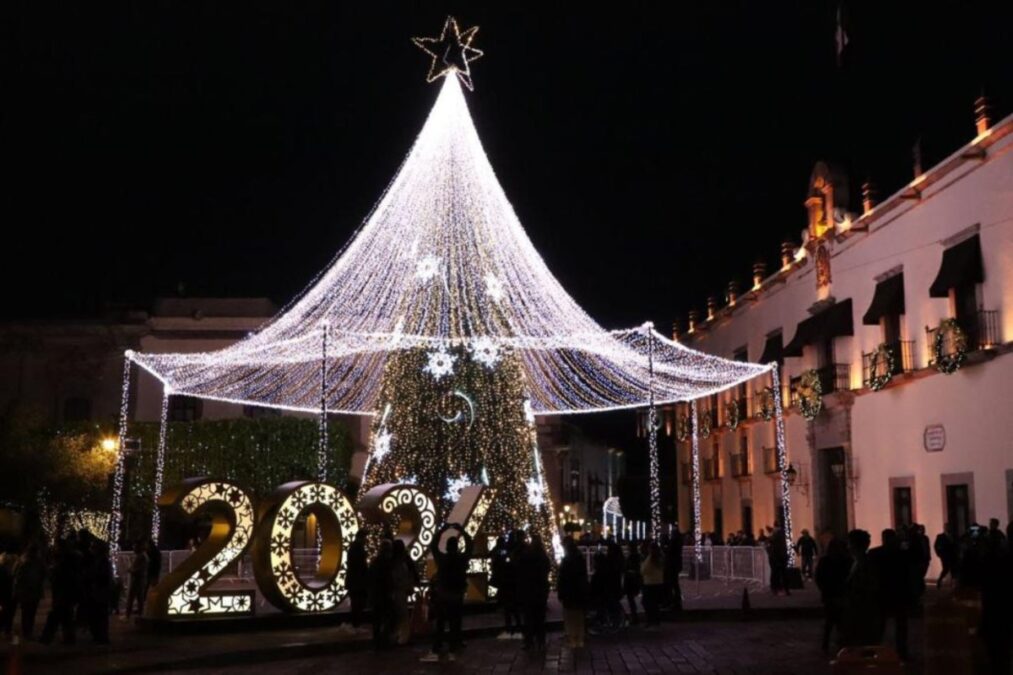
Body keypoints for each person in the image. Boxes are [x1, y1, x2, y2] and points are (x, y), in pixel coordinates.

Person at [421, 531, 470, 662]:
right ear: (457, 547)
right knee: (455, 622)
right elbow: (470, 545)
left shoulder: (442, 560)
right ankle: (454, 646)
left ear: (447, 547)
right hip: (457, 594)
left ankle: (437, 646)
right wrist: (463, 531)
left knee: (441, 622)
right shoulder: (461, 559)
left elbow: (434, 546)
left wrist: (442, 530)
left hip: (443, 594)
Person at [840, 529, 879, 648]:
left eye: (849, 543)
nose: (848, 547)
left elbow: (865, 585)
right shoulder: (857, 561)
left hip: (862, 609)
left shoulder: (864, 563)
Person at [815, 538, 851, 654]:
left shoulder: (827, 561)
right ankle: (837, 643)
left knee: (833, 621)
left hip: (833, 593)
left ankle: (834, 644)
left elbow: (819, 577)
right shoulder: (846, 561)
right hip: (835, 593)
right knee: (834, 621)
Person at [40, 539, 79, 645]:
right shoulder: (68, 560)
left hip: (64, 593)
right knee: (65, 616)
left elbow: (60, 577)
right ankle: (68, 638)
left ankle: (47, 638)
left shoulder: (64, 561)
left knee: (57, 615)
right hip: (65, 593)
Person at [517, 533, 551, 651]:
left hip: (530, 589)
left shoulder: (527, 555)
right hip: (540, 589)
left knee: (529, 617)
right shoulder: (543, 556)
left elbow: (520, 568)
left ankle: (529, 641)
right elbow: (547, 569)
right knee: (540, 617)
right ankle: (540, 640)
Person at [5, 544, 46, 640]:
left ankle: (27, 631)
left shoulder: (21, 561)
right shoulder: (37, 562)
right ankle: (27, 632)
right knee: (30, 612)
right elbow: (44, 574)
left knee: (27, 612)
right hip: (31, 591)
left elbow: (14, 575)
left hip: (26, 591)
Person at [557, 538, 588, 648]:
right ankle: (580, 639)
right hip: (579, 591)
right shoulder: (580, 559)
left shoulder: (566, 561)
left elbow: (562, 579)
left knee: (570, 616)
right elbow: (583, 576)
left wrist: (560, 592)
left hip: (569, 592)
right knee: (579, 616)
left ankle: (572, 639)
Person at [489, 534, 521, 639]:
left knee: (509, 608)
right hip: (510, 583)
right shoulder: (508, 553)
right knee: (512, 608)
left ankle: (510, 627)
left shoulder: (499, 552)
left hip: (505, 582)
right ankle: (516, 626)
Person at [390, 539, 418, 645]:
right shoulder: (404, 561)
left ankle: (398, 636)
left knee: (399, 614)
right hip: (401, 590)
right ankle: (402, 637)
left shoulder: (392, 562)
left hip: (397, 591)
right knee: (403, 615)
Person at [82, 539, 111, 644]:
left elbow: (102, 577)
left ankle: (101, 636)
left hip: (100, 593)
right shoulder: (97, 561)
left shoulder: (103, 562)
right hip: (97, 592)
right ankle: (98, 636)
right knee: (97, 615)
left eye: (93, 547)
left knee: (99, 615)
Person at [368, 539, 394, 649]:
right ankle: (384, 641)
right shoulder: (387, 564)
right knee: (386, 619)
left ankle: (377, 641)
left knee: (377, 620)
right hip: (384, 595)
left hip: (376, 595)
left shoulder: (375, 562)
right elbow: (388, 580)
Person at [346, 530, 369, 629]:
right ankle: (356, 624)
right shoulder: (357, 548)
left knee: (356, 604)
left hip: (355, 581)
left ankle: (356, 624)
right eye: (365, 537)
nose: (366, 540)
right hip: (357, 581)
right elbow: (359, 565)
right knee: (357, 604)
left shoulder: (355, 547)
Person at [640, 542, 665, 628]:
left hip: (649, 583)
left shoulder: (650, 558)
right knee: (655, 604)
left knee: (646, 603)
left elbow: (643, 570)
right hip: (658, 582)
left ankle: (650, 620)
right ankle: (656, 620)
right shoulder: (660, 558)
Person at [125, 540, 148, 619]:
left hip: (138, 580)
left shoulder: (142, 557)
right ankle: (139, 614)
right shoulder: (141, 556)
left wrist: (131, 570)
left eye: (135, 546)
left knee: (133, 597)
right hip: (139, 580)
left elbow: (139, 569)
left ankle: (128, 615)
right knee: (139, 598)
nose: (133, 548)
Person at [934, 523, 959, 589]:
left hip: (953, 555)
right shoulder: (940, 536)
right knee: (946, 569)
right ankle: (940, 580)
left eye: (949, 527)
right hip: (945, 556)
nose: (948, 528)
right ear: (944, 528)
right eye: (946, 527)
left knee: (954, 569)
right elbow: (936, 546)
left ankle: (953, 584)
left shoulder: (953, 535)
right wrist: (939, 554)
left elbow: (956, 544)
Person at [623, 543, 642, 625]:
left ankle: (634, 618)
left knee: (630, 599)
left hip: (631, 580)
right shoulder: (637, 556)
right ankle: (634, 617)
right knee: (631, 599)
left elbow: (628, 568)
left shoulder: (632, 557)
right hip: (634, 580)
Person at [767, 524, 789, 595]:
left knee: (776, 574)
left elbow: (770, 544)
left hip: (777, 557)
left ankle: (776, 589)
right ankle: (783, 589)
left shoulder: (775, 536)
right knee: (781, 574)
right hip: (780, 557)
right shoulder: (780, 535)